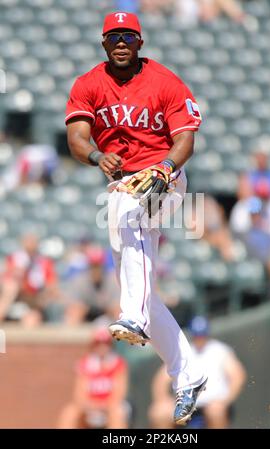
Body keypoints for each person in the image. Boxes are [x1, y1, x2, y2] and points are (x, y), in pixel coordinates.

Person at [65, 11, 207, 425]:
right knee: (139, 281)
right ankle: (189, 374)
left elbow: (185, 139)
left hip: (163, 176)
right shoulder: (89, 84)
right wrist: (95, 155)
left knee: (133, 226)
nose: (121, 41)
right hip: (121, 186)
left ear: (140, 42)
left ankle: (133, 317)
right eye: (114, 36)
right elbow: (77, 137)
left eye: (129, 35)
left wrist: (165, 168)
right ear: (104, 43)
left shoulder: (165, 81)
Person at [148, 316, 246, 429]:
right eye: (197, 335)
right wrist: (162, 400)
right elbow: (161, 380)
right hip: (186, 406)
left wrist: (225, 400)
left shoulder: (220, 350)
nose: (200, 338)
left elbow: (238, 376)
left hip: (213, 403)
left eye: (202, 335)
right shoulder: (182, 352)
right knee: (159, 413)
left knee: (215, 412)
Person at [57, 327, 129, 429]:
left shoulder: (118, 364)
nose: (102, 347)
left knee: (117, 412)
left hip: (110, 406)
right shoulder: (85, 364)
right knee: (70, 412)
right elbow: (79, 395)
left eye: (105, 344)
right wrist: (93, 406)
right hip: (90, 406)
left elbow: (118, 394)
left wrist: (104, 406)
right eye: (98, 344)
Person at [0, 233, 60, 326]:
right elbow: (6, 277)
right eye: (28, 242)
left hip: (33, 298)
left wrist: (45, 296)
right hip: (16, 295)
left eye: (33, 242)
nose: (30, 245)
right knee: (11, 287)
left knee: (32, 320)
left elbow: (52, 285)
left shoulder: (44, 262)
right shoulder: (14, 259)